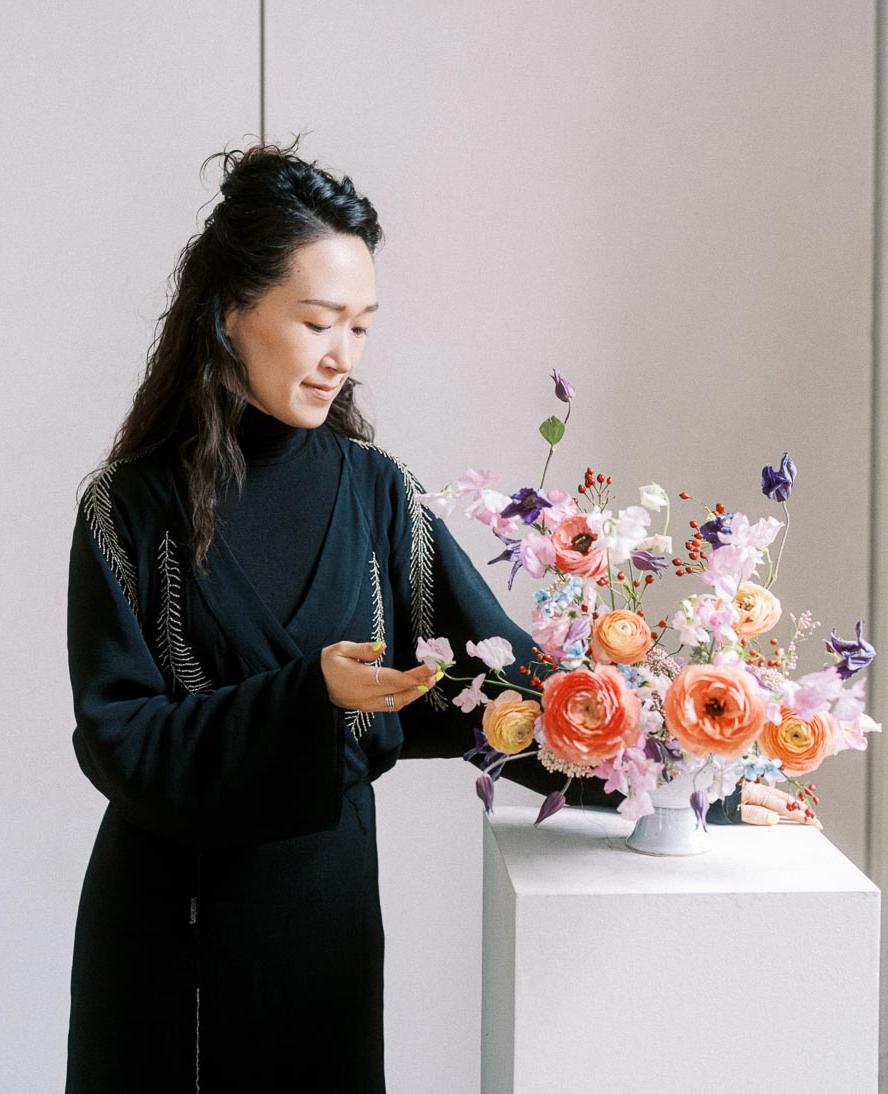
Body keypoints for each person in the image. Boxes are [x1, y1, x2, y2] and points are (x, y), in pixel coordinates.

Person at [64, 138, 810, 1094]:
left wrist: (704, 780)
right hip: (170, 939)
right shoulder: (127, 509)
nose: (343, 357)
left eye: (363, 328)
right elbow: (120, 739)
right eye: (318, 322)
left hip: (322, 930)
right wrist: (309, 693)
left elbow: (501, 697)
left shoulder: (377, 495)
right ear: (230, 314)